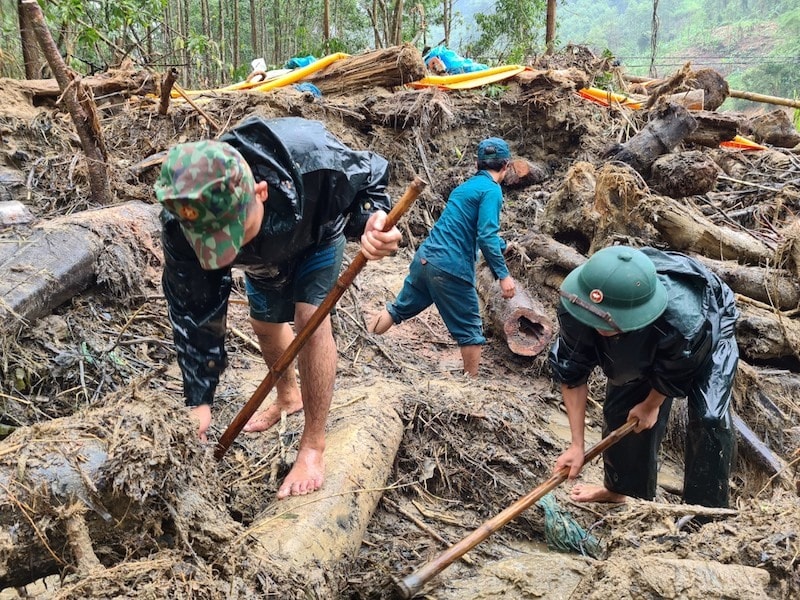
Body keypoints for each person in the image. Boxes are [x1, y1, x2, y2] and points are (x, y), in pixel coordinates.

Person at [154, 116, 401, 499]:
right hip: (265, 258)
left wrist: (373, 220)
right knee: (265, 325)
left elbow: (370, 175)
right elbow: (193, 309)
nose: (226, 250)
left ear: (260, 192)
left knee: (309, 320)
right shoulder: (183, 217)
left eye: (231, 234)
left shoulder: (315, 159)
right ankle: (289, 396)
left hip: (316, 237)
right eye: (212, 242)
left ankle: (313, 445)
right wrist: (199, 399)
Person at [549, 245, 739, 508]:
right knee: (623, 406)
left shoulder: (683, 323)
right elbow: (572, 372)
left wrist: (651, 405)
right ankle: (621, 488)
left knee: (709, 417)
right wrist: (576, 445)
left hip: (709, 319)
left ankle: (705, 509)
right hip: (646, 324)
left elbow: (676, 368)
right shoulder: (576, 306)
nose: (601, 328)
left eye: (609, 322)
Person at [368, 137, 516, 376]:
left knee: (397, 309)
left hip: (425, 259)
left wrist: (503, 245)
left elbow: (466, 228)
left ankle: (363, 343)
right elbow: (486, 235)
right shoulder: (492, 190)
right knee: (471, 330)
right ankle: (472, 384)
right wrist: (503, 275)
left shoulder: (464, 188)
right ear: (506, 165)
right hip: (450, 268)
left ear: (477, 164)